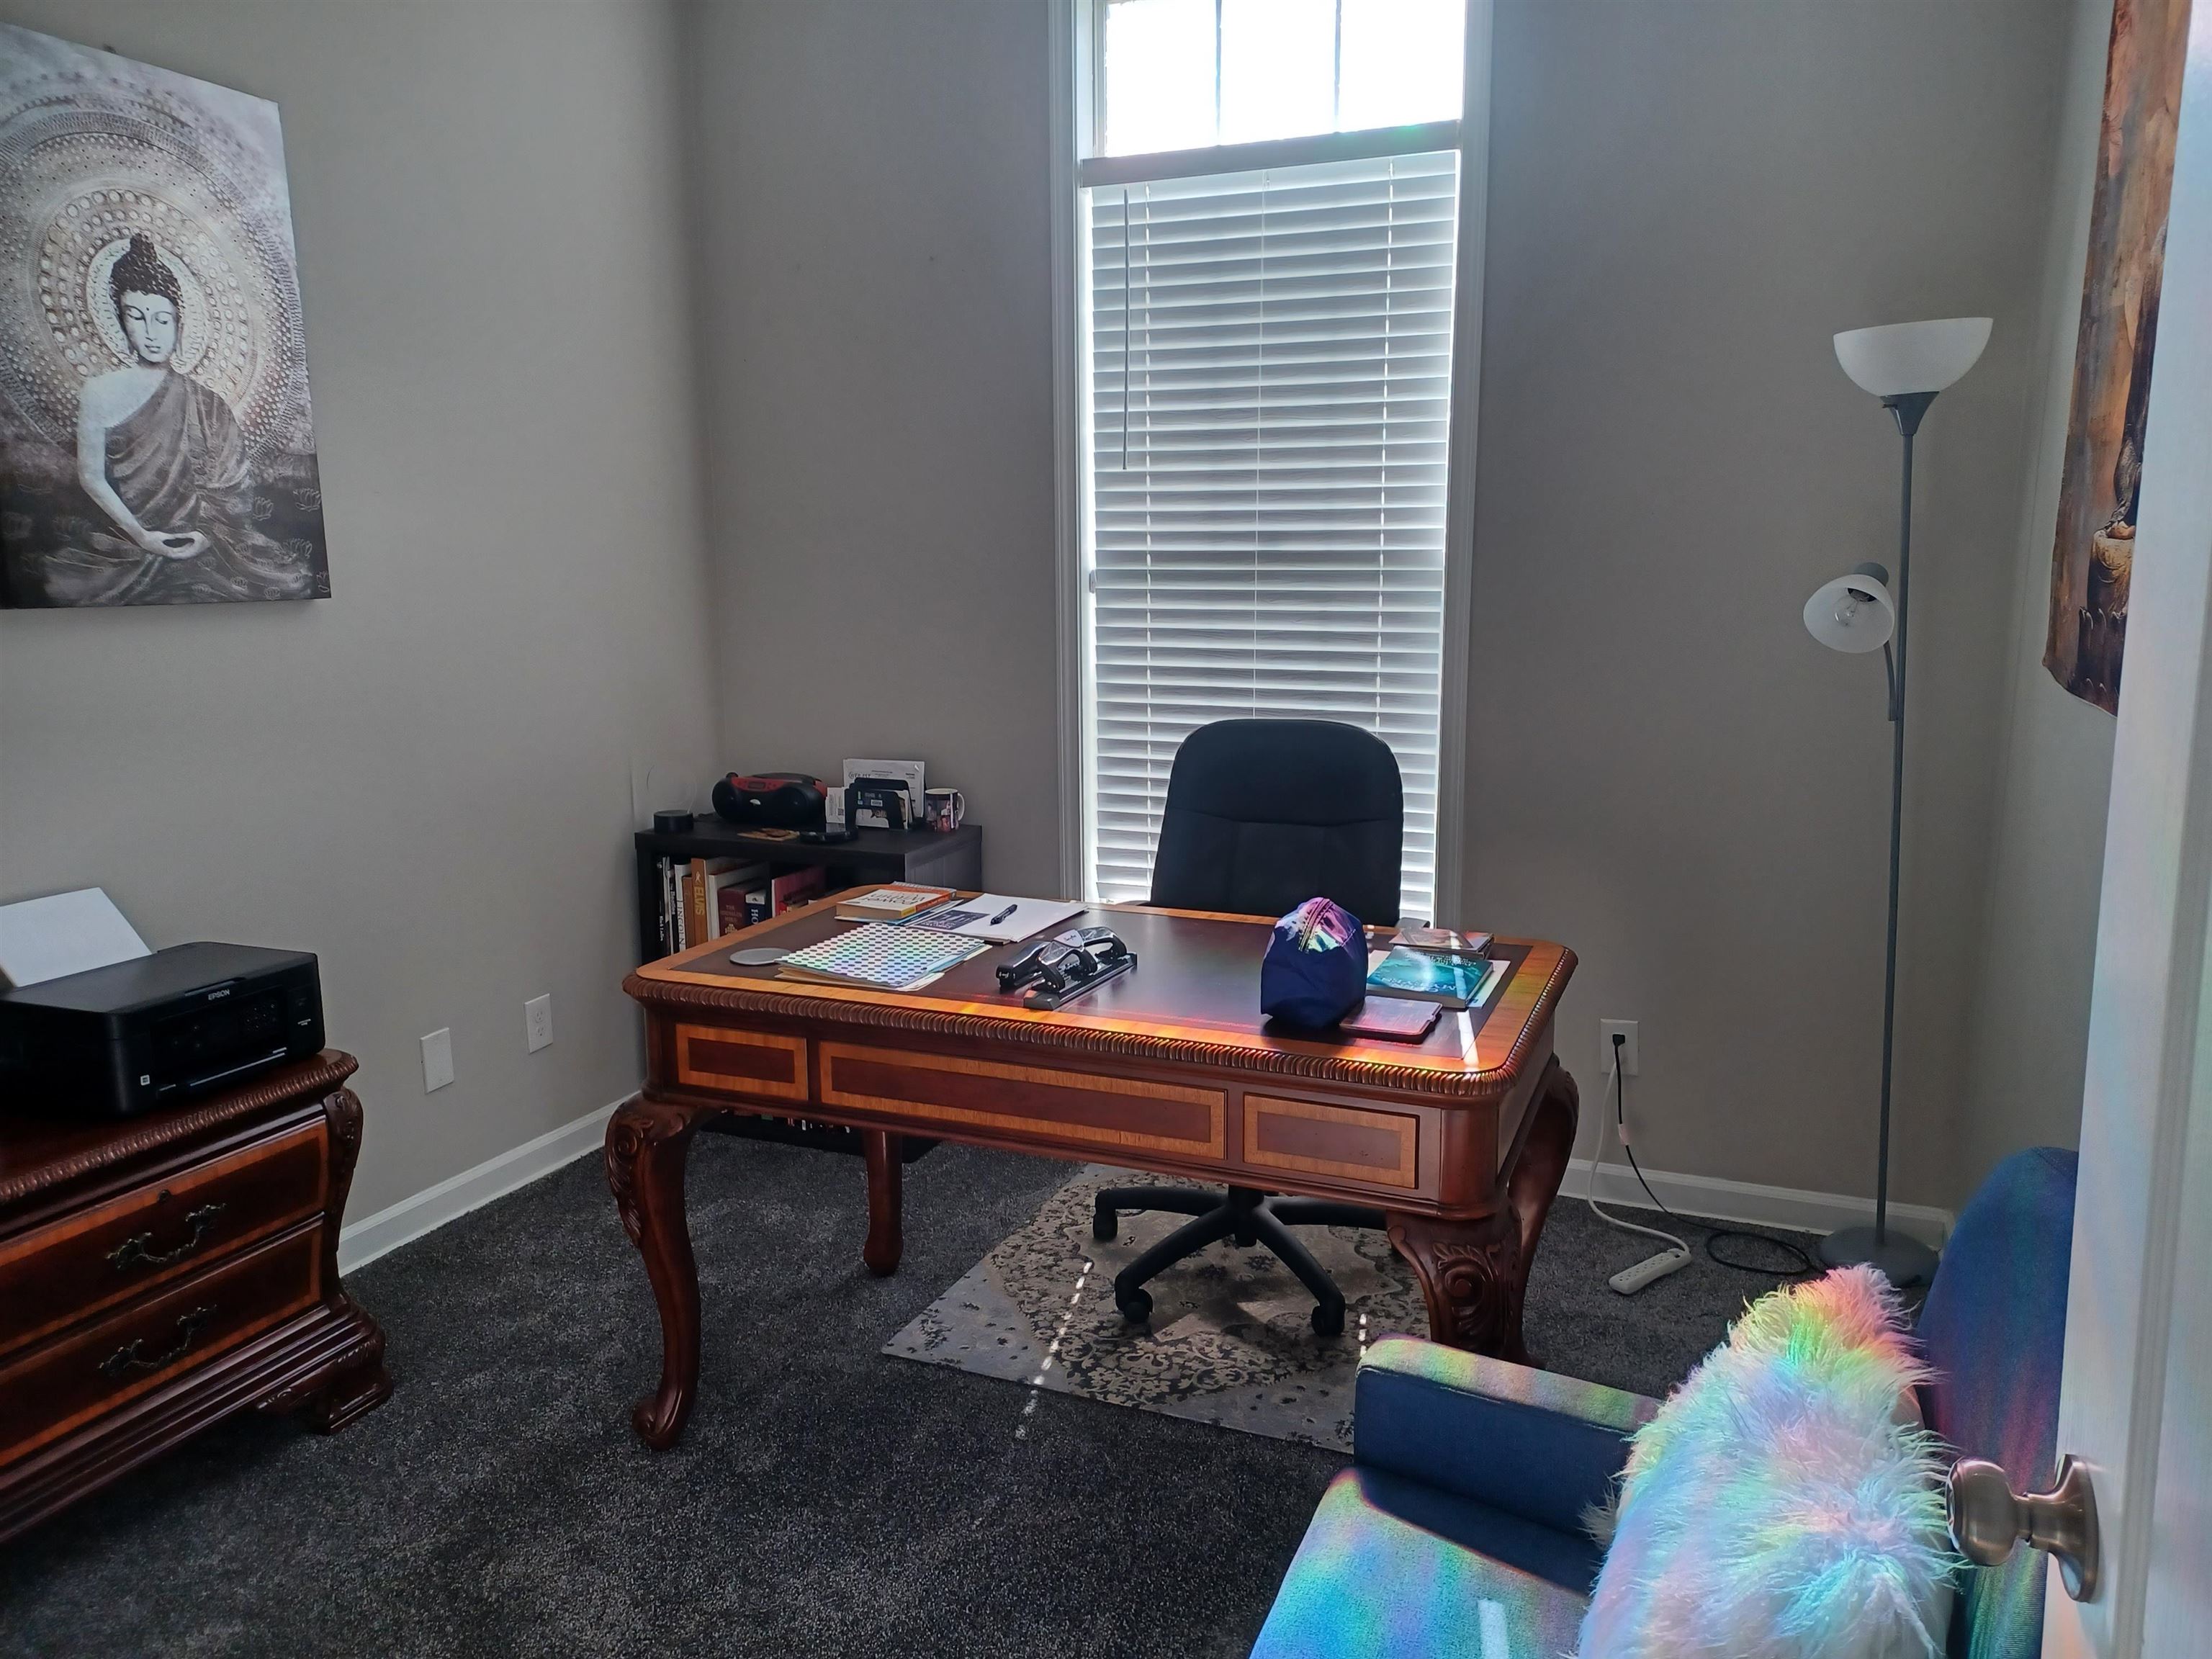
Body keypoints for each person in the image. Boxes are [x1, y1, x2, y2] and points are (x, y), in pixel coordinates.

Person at [47, 233, 311, 603]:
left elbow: (233, 487)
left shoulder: (208, 403)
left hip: (210, 538)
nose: (151, 333)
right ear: (120, 321)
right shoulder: (99, 391)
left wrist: (206, 534)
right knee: (62, 583)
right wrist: (143, 537)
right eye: (136, 317)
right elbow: (90, 476)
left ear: (179, 324)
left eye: (162, 319)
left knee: (293, 579)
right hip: (130, 536)